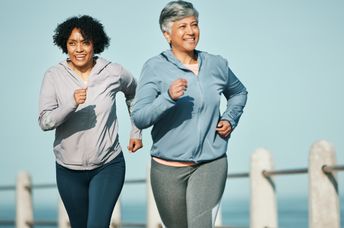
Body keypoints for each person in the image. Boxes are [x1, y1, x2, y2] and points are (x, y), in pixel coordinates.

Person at [132, 1, 248, 228]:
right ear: (167, 34)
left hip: (210, 164)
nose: (191, 32)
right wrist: (167, 97)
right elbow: (140, 117)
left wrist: (229, 118)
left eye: (194, 25)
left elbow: (239, 93)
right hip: (167, 169)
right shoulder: (154, 67)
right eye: (182, 26)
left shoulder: (216, 64)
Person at [38, 15, 142, 228]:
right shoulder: (54, 76)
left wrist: (136, 130)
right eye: (72, 43)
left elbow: (135, 93)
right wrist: (70, 104)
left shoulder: (113, 71)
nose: (79, 49)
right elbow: (45, 122)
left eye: (85, 42)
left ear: (95, 43)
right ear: (64, 45)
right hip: (68, 170)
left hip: (108, 165)